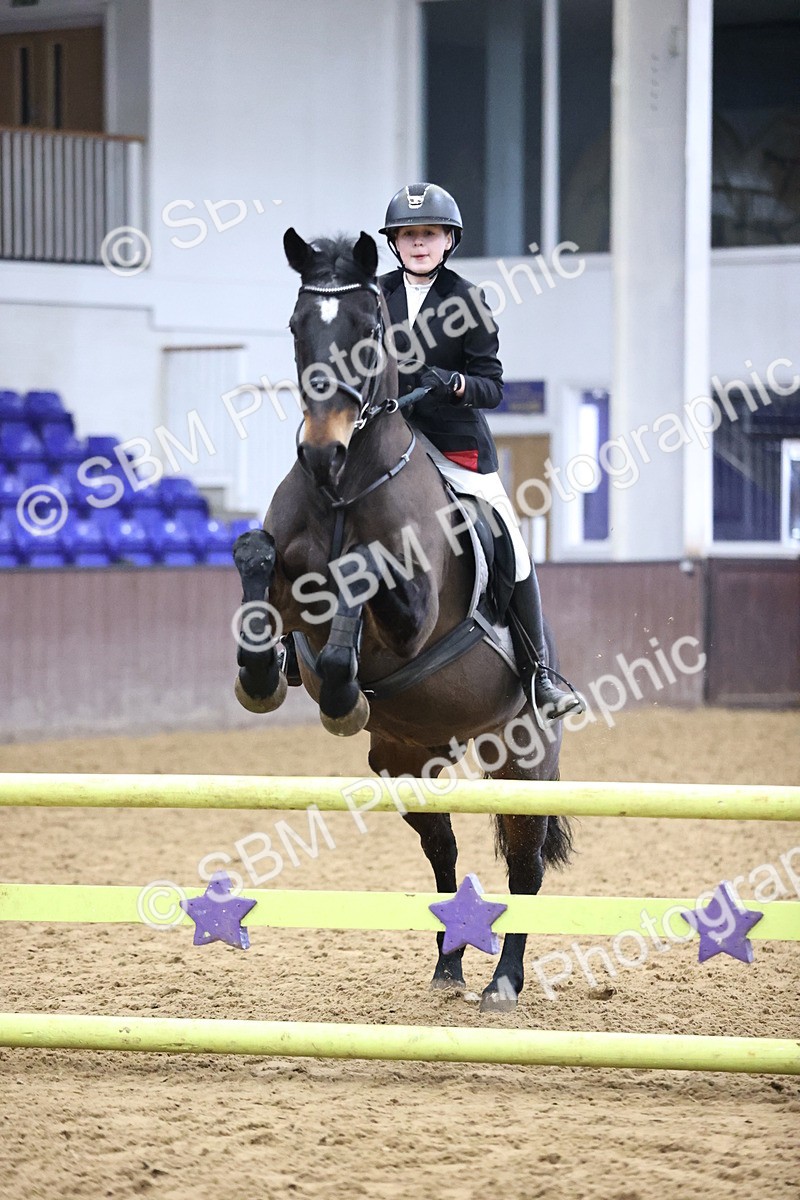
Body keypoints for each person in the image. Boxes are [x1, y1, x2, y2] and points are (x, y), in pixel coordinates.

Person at [378, 181, 583, 723]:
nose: (418, 244)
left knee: (509, 540)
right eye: (407, 235)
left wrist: (448, 382)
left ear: (448, 240)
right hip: (386, 443)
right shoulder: (375, 297)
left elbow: (491, 385)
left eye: (428, 234)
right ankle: (289, 646)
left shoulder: (467, 300)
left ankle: (539, 672)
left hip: (453, 448)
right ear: (394, 243)